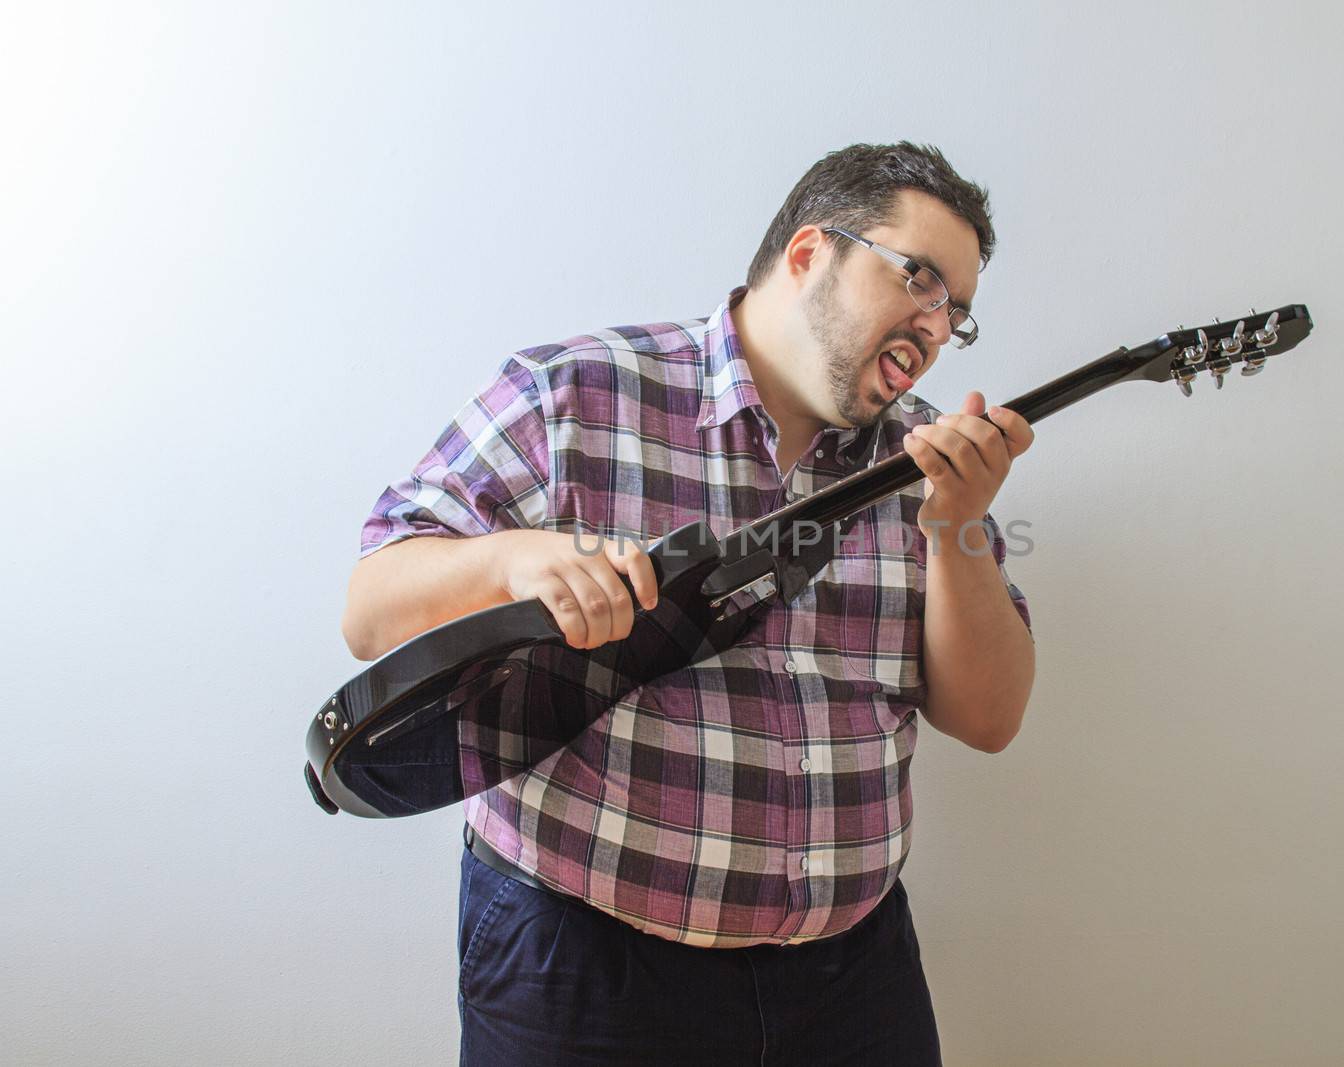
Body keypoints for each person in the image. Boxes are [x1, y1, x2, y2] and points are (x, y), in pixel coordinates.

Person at [341, 141, 1037, 1066]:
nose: (937, 325)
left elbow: (988, 717)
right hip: (585, 974)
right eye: (919, 279)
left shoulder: (932, 461)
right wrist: (520, 563)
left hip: (852, 982)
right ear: (807, 253)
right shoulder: (574, 393)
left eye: (957, 311)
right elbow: (370, 606)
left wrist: (956, 527)